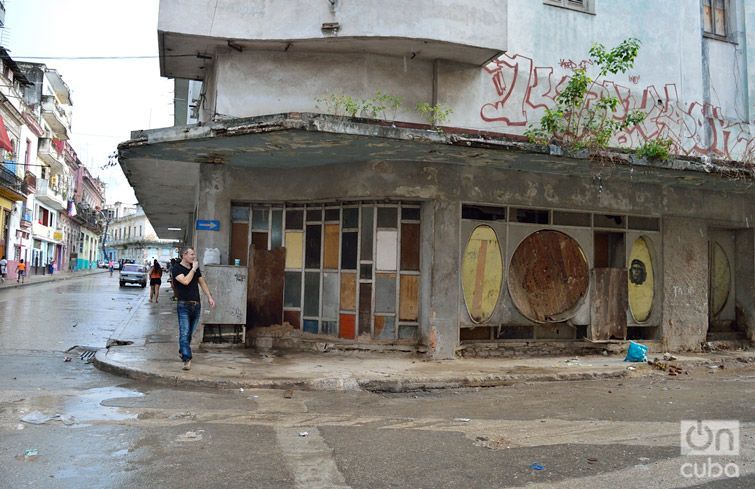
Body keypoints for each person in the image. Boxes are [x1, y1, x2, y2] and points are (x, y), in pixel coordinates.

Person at [172, 247, 215, 370]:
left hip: (196, 305)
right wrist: (193, 269)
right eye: (191, 254)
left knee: (189, 334)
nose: (194, 256)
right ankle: (187, 358)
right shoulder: (177, 269)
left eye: (194, 254)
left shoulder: (195, 269)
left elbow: (202, 282)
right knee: (184, 332)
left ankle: (182, 349)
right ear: (184, 255)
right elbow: (185, 281)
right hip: (183, 305)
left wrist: (209, 297)